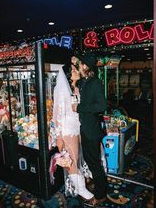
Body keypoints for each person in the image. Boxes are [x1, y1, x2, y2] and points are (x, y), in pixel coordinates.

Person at [52, 61, 94, 201]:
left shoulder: (76, 87)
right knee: (72, 160)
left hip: (78, 125)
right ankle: (81, 189)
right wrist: (58, 136)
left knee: (80, 155)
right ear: (68, 75)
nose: (77, 71)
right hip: (67, 129)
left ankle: (83, 181)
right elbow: (57, 114)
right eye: (74, 70)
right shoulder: (60, 89)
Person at [72, 53, 108, 207]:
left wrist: (79, 108)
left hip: (92, 130)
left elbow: (102, 106)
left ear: (86, 67)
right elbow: (76, 81)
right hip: (86, 129)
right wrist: (73, 64)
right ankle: (99, 185)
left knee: (94, 164)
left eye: (80, 64)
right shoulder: (85, 81)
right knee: (90, 160)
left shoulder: (95, 83)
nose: (79, 66)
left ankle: (101, 195)